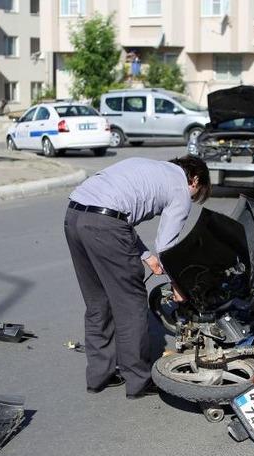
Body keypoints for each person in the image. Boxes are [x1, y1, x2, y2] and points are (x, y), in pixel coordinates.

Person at [64, 156, 211, 398]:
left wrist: (146, 256)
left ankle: (99, 376)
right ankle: (139, 381)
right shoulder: (181, 188)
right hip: (105, 226)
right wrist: (177, 284)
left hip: (74, 214)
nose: (192, 197)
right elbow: (166, 245)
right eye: (197, 193)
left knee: (97, 302)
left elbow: (119, 215)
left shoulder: (149, 166)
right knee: (131, 306)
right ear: (195, 179)